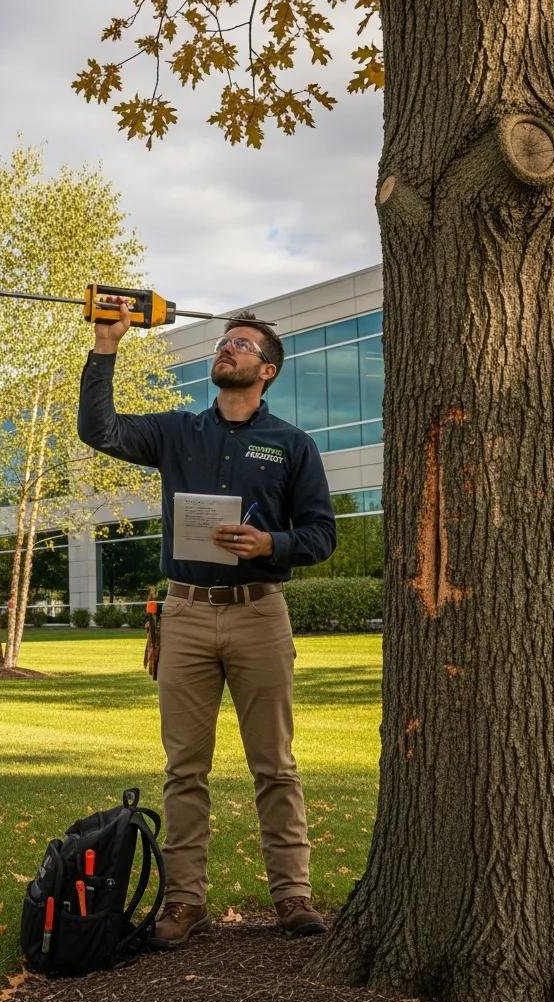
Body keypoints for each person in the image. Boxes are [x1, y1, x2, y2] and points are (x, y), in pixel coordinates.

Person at [77, 296, 337, 946]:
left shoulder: (292, 445)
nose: (229, 348)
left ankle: (293, 899)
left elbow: (322, 534)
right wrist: (107, 346)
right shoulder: (176, 433)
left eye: (244, 344)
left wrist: (269, 546)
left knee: (274, 765)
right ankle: (183, 904)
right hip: (186, 616)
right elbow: (99, 431)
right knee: (184, 769)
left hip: (260, 615)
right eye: (227, 342)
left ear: (267, 370)